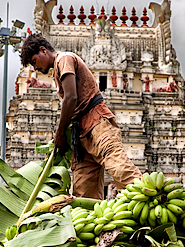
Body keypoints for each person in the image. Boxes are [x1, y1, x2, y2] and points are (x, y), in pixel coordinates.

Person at [20, 33, 142, 200]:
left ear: (43, 51)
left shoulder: (64, 59)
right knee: (83, 193)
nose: (35, 68)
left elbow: (71, 98)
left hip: (97, 122)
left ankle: (153, 200)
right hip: (80, 136)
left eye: (34, 61)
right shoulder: (57, 69)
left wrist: (60, 133)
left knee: (119, 168)